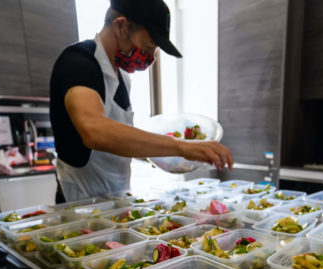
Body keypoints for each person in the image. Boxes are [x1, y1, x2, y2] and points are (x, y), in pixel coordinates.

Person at [50, 0, 233, 201]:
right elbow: (95, 131)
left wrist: (170, 157)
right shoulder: (77, 63)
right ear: (120, 26)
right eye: (147, 47)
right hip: (79, 202)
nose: (149, 58)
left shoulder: (122, 78)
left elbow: (118, 142)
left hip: (116, 201)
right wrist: (180, 146)